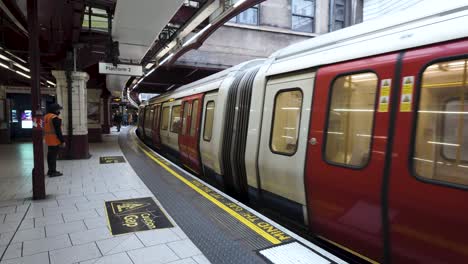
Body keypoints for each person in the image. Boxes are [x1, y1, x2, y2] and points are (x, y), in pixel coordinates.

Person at [44, 103, 65, 177]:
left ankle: (50, 170)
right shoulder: (55, 118)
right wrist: (62, 141)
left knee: (50, 156)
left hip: (48, 139)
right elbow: (58, 131)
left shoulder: (46, 116)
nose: (59, 111)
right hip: (54, 140)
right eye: (59, 109)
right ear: (55, 110)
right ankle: (53, 172)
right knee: (53, 156)